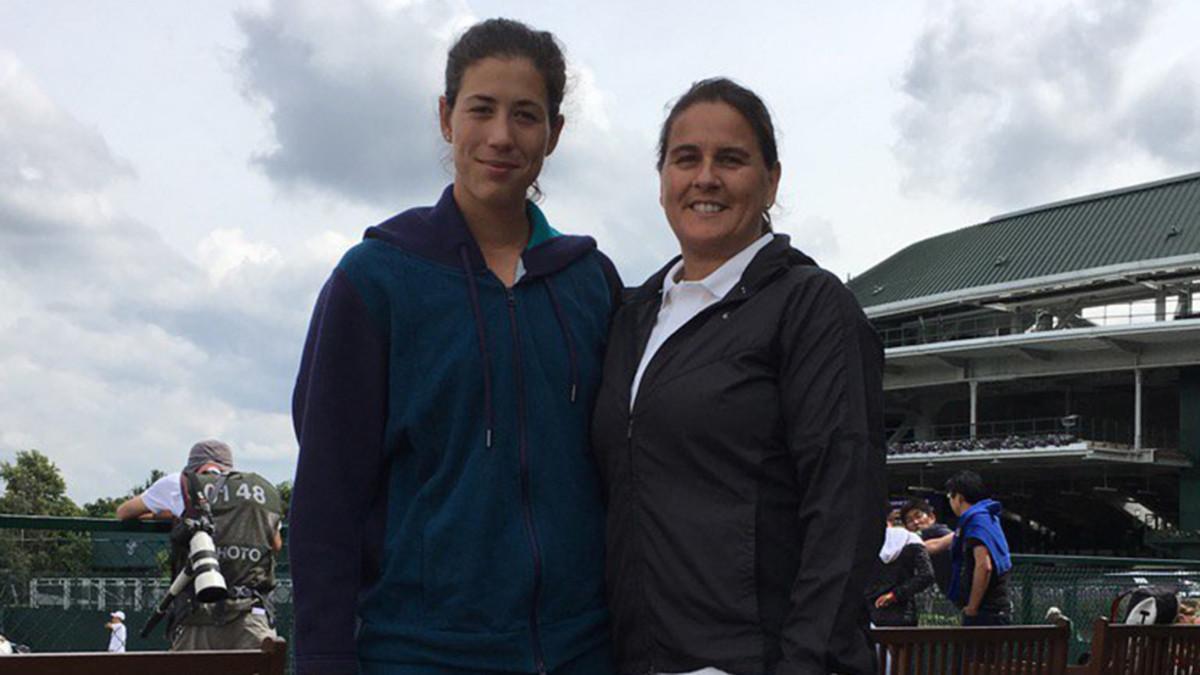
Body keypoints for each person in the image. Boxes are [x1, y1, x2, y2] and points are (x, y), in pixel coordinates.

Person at [289, 18, 621, 675]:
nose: (502, 135)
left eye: (526, 114)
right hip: (419, 654)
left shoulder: (592, 283)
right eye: (481, 109)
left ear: (554, 133)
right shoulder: (374, 280)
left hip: (582, 652)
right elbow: (327, 495)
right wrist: (325, 657)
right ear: (446, 118)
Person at [591, 78, 886, 675]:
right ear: (662, 180)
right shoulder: (632, 318)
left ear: (771, 179)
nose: (705, 178)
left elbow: (843, 510)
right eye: (686, 159)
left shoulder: (809, 306)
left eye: (730, 159)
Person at [116, 439, 283, 650]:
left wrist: (173, 515)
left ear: (195, 466)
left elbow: (124, 512)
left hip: (198, 614)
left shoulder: (181, 483)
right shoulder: (263, 490)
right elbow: (275, 543)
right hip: (253, 615)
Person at [945, 471, 1012, 626]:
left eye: (950, 497)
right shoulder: (987, 516)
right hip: (997, 608)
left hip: (986, 611)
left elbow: (984, 565)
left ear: (959, 497)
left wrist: (972, 608)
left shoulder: (976, 522)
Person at [867, 509, 934, 628]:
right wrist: (895, 595)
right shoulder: (911, 539)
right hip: (904, 611)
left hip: (871, 610)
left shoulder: (867, 542)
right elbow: (926, 575)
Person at [900, 497, 954, 597]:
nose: (916, 522)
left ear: (931, 517)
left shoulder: (938, 531)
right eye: (910, 521)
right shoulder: (914, 539)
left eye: (918, 516)